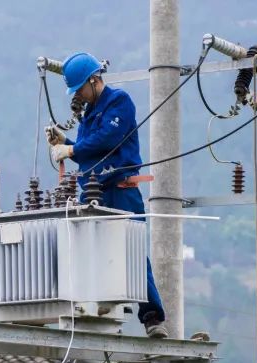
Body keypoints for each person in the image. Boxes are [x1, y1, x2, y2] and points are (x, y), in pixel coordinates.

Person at [48, 51, 168, 339]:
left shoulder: (119, 101)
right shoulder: (89, 114)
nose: (79, 95)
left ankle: (152, 318)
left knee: (133, 253)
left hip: (122, 191)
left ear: (94, 80)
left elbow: (108, 141)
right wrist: (67, 142)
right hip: (94, 191)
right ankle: (102, 306)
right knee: (88, 249)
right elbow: (92, 154)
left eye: (80, 89)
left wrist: (72, 149)